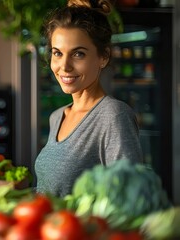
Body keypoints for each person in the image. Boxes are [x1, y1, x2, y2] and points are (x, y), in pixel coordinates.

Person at [34, 0, 143, 197]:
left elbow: (129, 198)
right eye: (57, 53)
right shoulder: (57, 117)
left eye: (78, 54)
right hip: (49, 226)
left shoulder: (113, 116)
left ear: (103, 57)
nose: (64, 66)